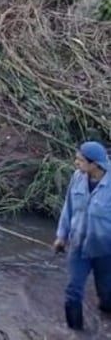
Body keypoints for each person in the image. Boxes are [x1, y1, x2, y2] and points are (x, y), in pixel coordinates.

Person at [54, 141, 111, 330]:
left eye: (80, 160)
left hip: (106, 250)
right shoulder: (77, 177)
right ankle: (75, 333)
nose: (76, 163)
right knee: (73, 290)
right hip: (78, 246)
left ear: (94, 164)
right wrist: (62, 236)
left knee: (107, 294)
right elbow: (68, 207)